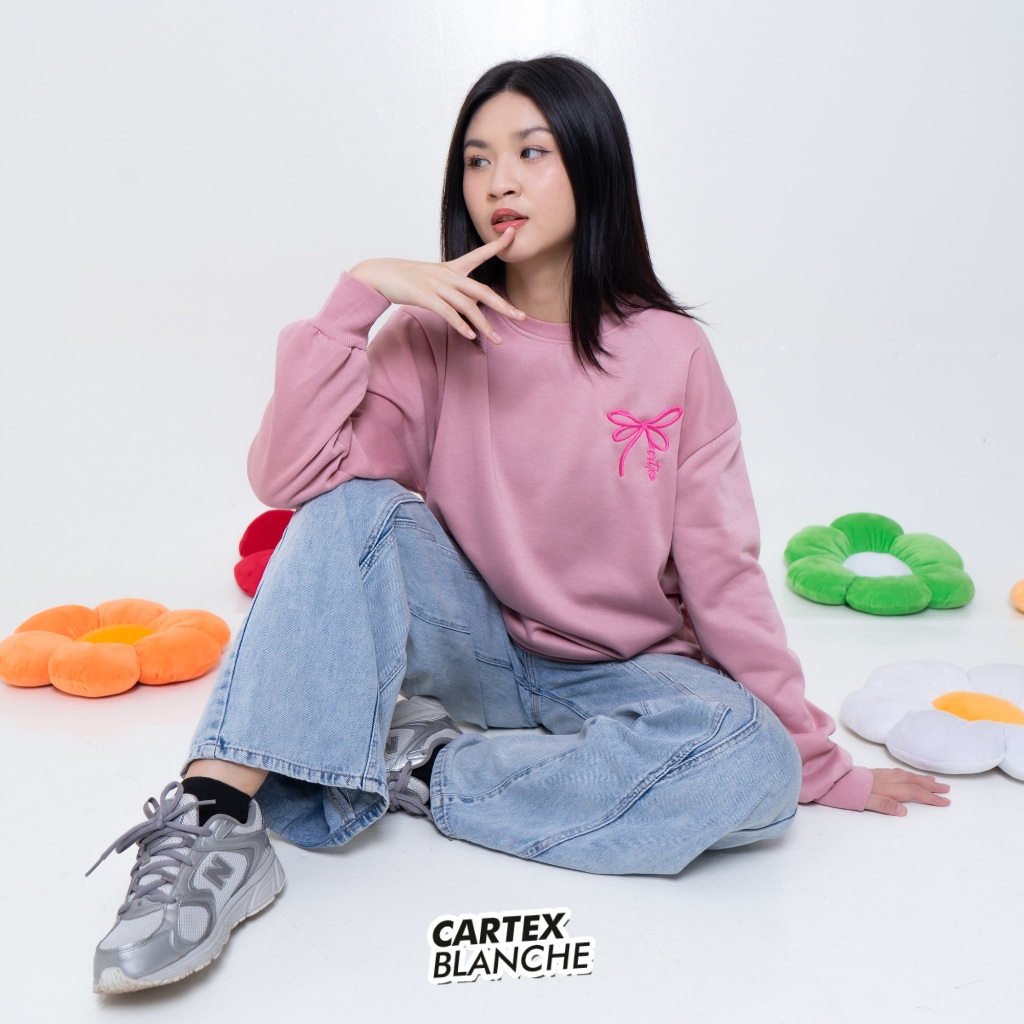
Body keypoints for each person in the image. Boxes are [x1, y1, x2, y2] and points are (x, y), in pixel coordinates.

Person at [89, 55, 951, 995]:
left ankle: (427, 767)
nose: (499, 180)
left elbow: (723, 570)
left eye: (531, 152)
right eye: (478, 159)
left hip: (629, 671)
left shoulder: (671, 352)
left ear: (591, 163)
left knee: (751, 764)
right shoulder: (429, 336)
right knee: (353, 504)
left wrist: (815, 762)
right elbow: (295, 480)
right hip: (474, 644)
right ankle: (216, 815)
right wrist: (357, 299)